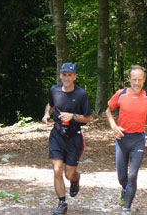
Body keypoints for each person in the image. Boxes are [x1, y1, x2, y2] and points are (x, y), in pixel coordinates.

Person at [106, 65, 147, 215]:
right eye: (134, 79)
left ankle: (127, 208)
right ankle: (124, 190)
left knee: (132, 175)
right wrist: (113, 126)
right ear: (129, 79)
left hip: (138, 139)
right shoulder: (120, 94)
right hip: (122, 138)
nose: (136, 82)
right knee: (122, 177)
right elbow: (108, 110)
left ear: (144, 80)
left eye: (140, 79)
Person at [42, 62, 93, 215]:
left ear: (75, 77)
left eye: (70, 75)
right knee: (57, 169)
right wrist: (46, 114)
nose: (66, 77)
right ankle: (62, 204)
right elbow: (50, 104)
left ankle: (76, 179)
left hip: (74, 137)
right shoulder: (54, 90)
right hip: (57, 134)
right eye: (64, 74)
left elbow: (88, 118)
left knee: (68, 174)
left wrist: (73, 116)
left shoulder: (81, 94)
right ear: (60, 75)